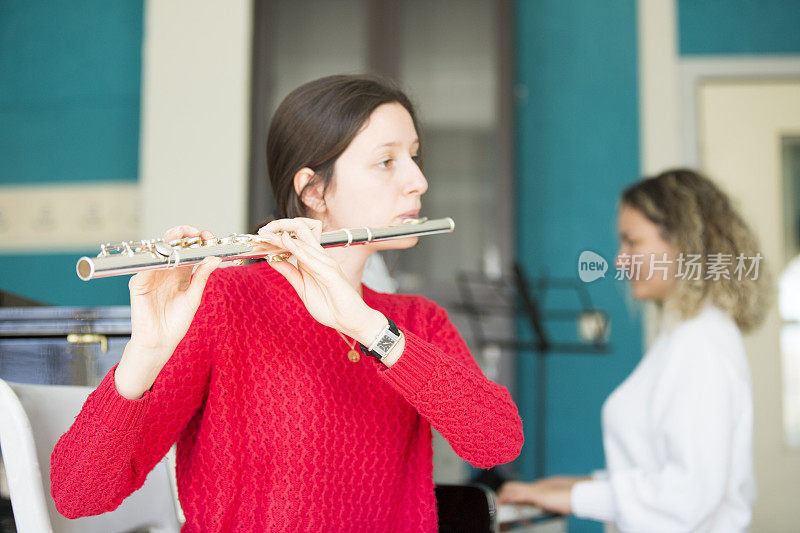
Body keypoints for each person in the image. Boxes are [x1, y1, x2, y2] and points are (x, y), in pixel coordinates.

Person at [50, 75, 524, 532]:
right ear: (313, 190)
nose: (418, 181)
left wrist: (368, 328)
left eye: (415, 157)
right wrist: (146, 353)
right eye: (387, 161)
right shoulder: (226, 302)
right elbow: (79, 494)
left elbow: (497, 441)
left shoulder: (416, 321)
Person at [498, 169, 769, 532]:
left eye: (632, 242)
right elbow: (662, 469)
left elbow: (687, 497)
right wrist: (580, 486)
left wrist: (575, 498)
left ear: (682, 243)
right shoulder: (683, 335)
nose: (621, 260)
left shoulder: (701, 344)